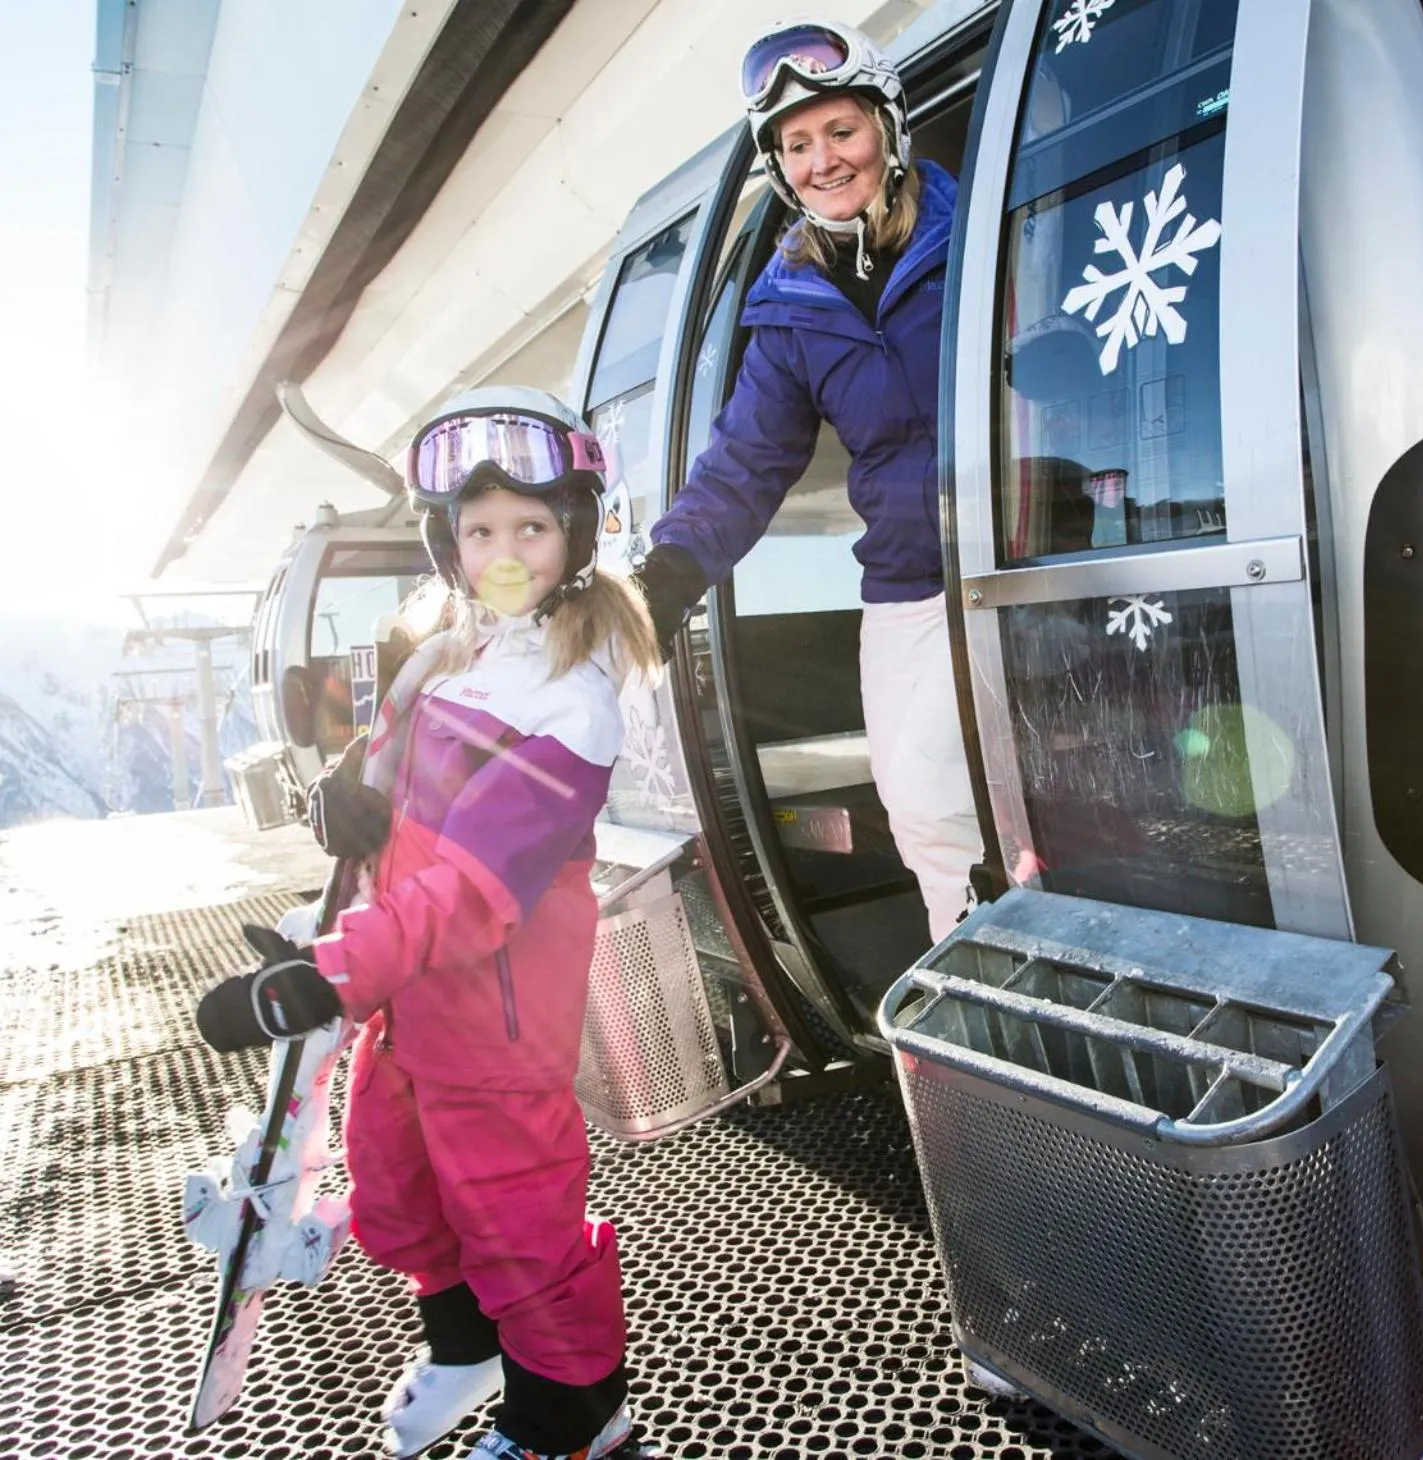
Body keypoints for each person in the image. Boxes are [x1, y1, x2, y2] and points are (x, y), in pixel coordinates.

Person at [195, 386, 660, 1460]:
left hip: (492, 1022)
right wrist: (350, 792)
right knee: (400, 1189)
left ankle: (573, 1422)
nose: (508, 548)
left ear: (576, 535)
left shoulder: (567, 699)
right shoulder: (453, 645)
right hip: (409, 998)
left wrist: (328, 977)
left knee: (516, 1227)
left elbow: (473, 888)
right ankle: (464, 1349)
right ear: (450, 545)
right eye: (482, 527)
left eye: (533, 526)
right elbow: (398, 771)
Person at [632, 18, 983, 943]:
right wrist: (667, 573)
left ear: (889, 128)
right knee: (921, 814)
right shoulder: (791, 309)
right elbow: (746, 462)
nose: (823, 161)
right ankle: (987, 998)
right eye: (796, 146)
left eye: (841, 131)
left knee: (992, 808)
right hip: (908, 587)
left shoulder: (982, 231)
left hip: (1012, 563)